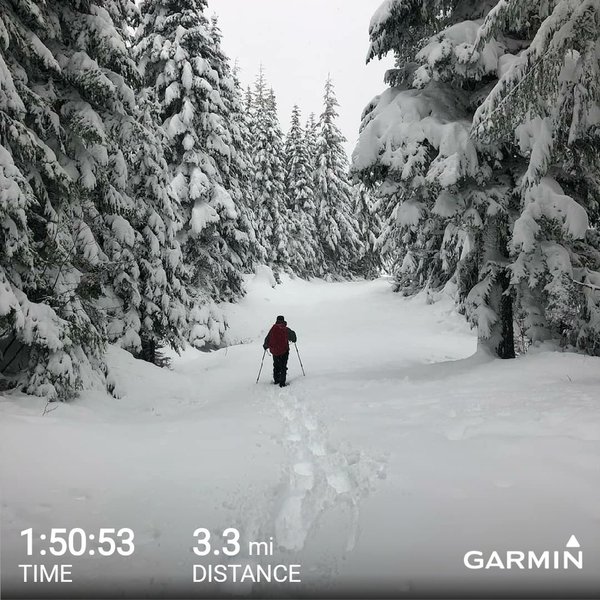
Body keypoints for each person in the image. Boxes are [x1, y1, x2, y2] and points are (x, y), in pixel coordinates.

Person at [263, 315, 297, 387]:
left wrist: (266, 346)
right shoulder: (286, 329)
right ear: (283, 320)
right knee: (283, 366)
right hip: (284, 351)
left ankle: (276, 380)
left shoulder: (273, 329)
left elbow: (267, 339)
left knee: (276, 365)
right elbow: (294, 338)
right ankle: (282, 383)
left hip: (275, 351)